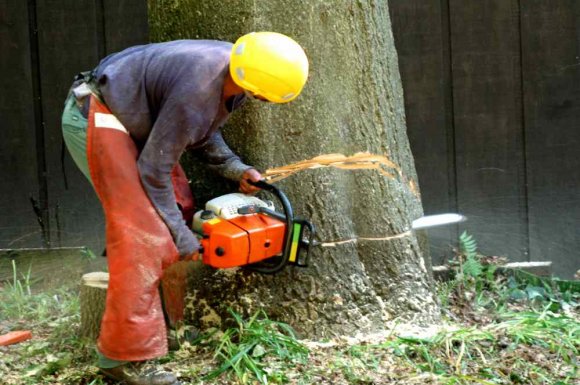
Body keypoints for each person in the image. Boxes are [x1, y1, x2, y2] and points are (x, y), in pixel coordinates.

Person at [61, 32, 309, 385]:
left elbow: (201, 130)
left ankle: (167, 325)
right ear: (255, 84)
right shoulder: (200, 86)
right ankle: (124, 358)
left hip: (131, 116)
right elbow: (154, 170)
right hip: (98, 114)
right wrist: (181, 236)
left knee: (177, 206)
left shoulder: (237, 67)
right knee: (144, 233)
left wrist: (235, 169)